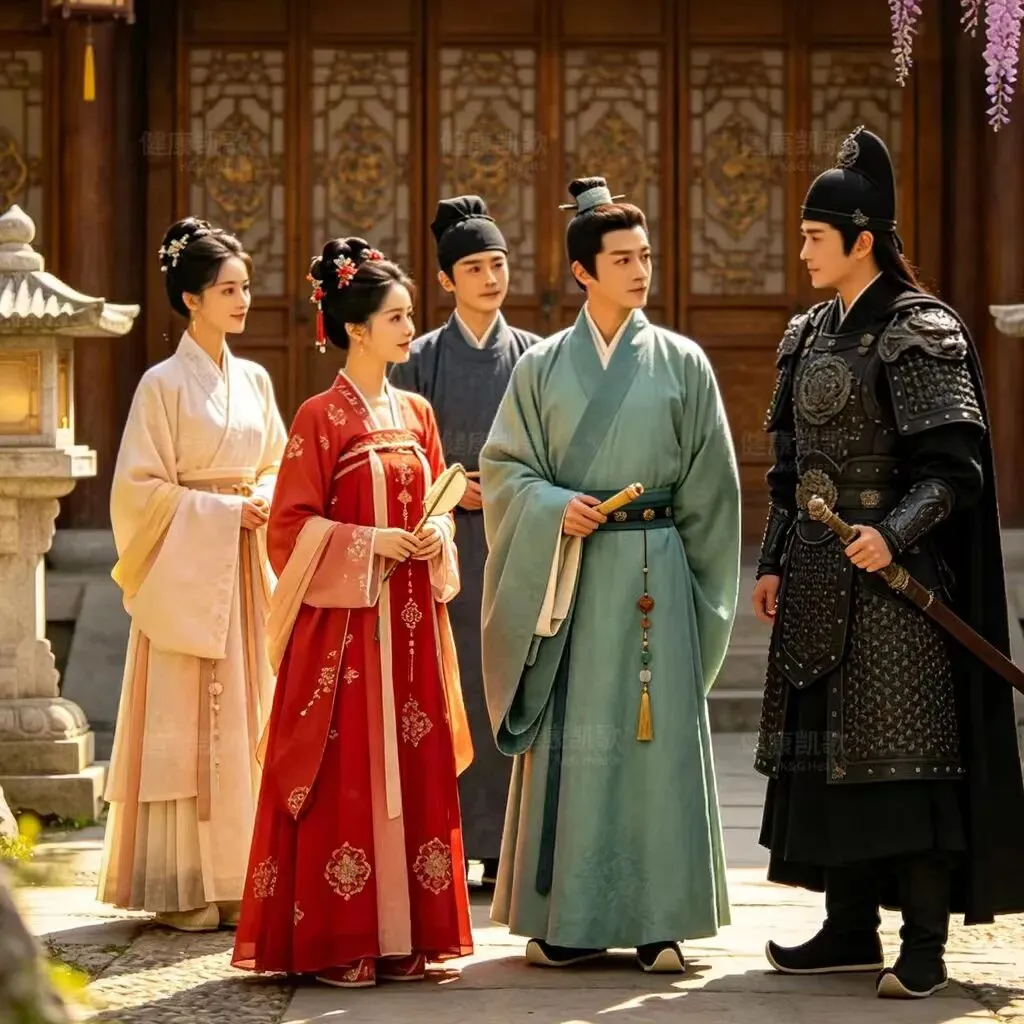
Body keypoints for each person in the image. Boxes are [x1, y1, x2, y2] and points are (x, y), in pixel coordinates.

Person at [752, 126, 1024, 999]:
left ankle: (925, 944)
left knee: (906, 760)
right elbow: (789, 468)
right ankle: (847, 927)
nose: (803, 252)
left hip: (895, 590)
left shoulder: (920, 330)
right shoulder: (806, 334)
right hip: (817, 579)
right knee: (828, 760)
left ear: (861, 240)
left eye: (814, 238)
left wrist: (893, 535)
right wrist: (771, 561)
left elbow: (955, 470)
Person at [479, 176, 741, 973]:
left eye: (646, 257)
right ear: (582, 272)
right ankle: (569, 920)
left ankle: (663, 922)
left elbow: (712, 495)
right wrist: (553, 507)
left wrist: (704, 602)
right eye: (622, 259)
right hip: (573, 578)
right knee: (578, 744)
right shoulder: (541, 367)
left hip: (656, 574)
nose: (639, 271)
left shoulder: (684, 364)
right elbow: (504, 469)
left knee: (652, 745)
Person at [231, 237, 474, 989]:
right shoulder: (319, 417)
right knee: (347, 776)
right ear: (357, 329)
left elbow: (440, 502)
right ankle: (341, 940)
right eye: (396, 317)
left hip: (410, 627)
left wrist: (435, 534)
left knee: (411, 761)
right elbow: (287, 528)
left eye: (408, 316)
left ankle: (408, 936)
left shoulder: (417, 412)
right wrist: (370, 543)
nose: (409, 329)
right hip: (344, 633)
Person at [98, 217, 288, 931]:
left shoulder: (255, 379)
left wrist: (262, 495)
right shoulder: (161, 384)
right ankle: (182, 884)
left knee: (251, 711)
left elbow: (277, 461)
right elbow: (138, 491)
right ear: (191, 299)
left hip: (244, 567)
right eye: (227, 289)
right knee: (185, 717)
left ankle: (242, 874)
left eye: (245, 287)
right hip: (188, 568)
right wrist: (221, 511)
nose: (242, 301)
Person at [389, 194, 540, 883]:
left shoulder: (534, 357)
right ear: (446, 280)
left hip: (517, 547)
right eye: (474, 268)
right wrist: (448, 487)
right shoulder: (416, 360)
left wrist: (507, 486)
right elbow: (394, 452)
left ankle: (509, 847)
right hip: (443, 549)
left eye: (498, 264)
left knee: (511, 684)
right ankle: (442, 842)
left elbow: (553, 450)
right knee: (448, 688)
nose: (490, 278)